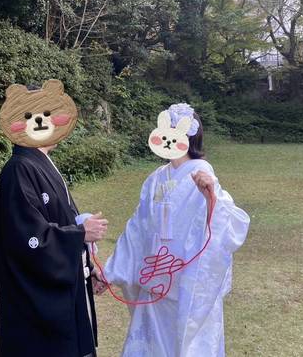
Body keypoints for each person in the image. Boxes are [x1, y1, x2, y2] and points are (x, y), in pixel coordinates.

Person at [101, 103, 250, 357]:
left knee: (188, 345)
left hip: (187, 285)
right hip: (155, 282)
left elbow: (229, 224)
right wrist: (110, 272)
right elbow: (137, 228)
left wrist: (211, 197)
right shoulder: (155, 178)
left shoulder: (202, 174)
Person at [0, 81, 108, 357]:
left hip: (65, 288)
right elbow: (29, 239)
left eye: (49, 114)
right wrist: (80, 234)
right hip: (36, 308)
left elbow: (58, 223)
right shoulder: (19, 170)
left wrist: (86, 268)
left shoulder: (39, 165)